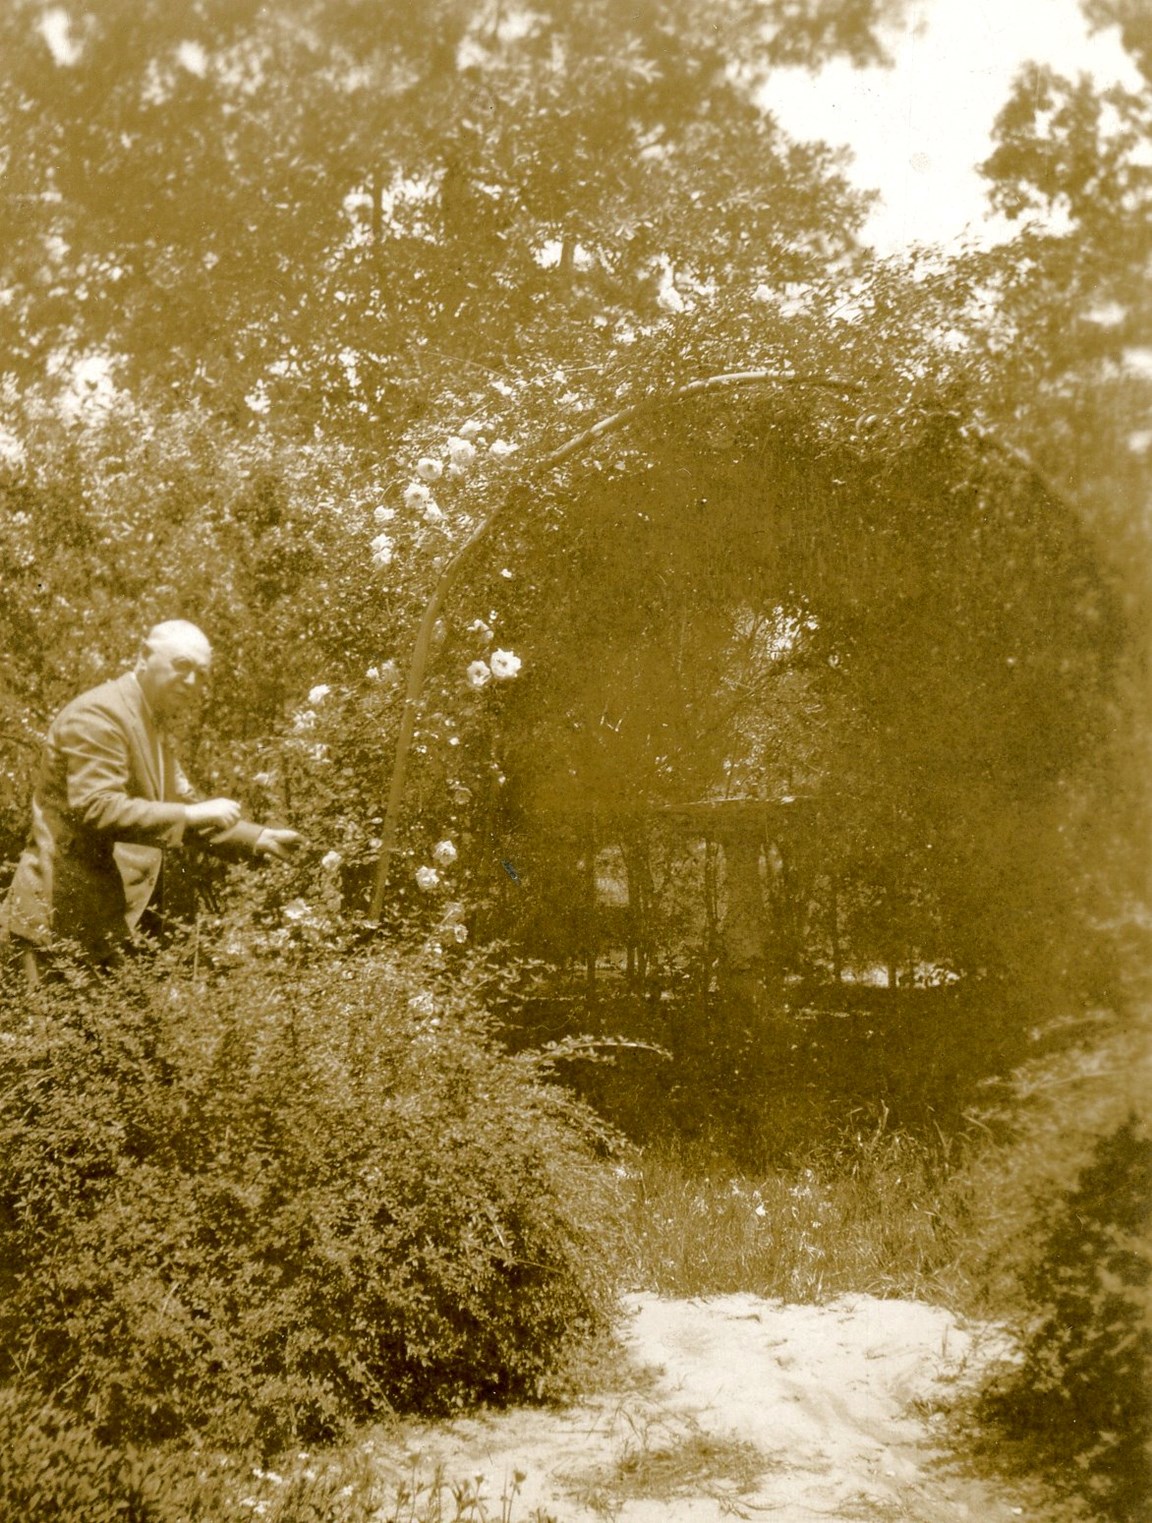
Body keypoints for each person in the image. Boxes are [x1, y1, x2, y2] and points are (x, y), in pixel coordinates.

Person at [2, 620, 303, 981]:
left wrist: (257, 838)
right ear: (144, 656)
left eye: (202, 674)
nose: (193, 681)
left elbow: (170, 810)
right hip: (60, 920)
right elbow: (97, 807)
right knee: (52, 1035)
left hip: (108, 924)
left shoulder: (149, 721)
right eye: (182, 666)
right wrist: (191, 813)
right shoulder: (99, 716)